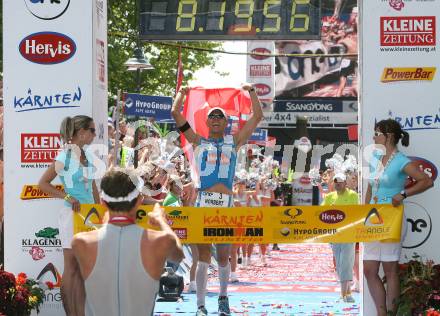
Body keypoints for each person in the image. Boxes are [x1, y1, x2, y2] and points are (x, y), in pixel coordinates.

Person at [171, 83, 262, 316]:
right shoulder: (198, 141)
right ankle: (200, 305)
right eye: (212, 116)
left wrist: (251, 92)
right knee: (202, 257)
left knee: (223, 257)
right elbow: (175, 113)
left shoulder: (235, 141)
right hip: (203, 205)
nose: (215, 119)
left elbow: (257, 116)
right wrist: (182, 93)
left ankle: (223, 298)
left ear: (225, 122)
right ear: (207, 121)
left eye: (220, 117)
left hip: (226, 206)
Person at [71, 168, 184, 315]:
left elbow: (77, 297)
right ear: (139, 202)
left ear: (103, 202)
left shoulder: (81, 242)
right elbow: (178, 254)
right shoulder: (160, 241)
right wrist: (161, 222)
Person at [363, 119, 433, 316]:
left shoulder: (402, 160)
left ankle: (391, 314)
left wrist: (403, 194)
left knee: (390, 269)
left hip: (392, 218)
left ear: (389, 136)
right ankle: (381, 312)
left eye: (377, 133)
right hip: (372, 217)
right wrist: (364, 212)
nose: (374, 137)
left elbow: (426, 181)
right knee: (369, 269)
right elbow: (369, 188)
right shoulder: (375, 157)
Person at [39, 115, 100, 315]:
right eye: (92, 130)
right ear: (81, 133)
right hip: (71, 215)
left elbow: (92, 186)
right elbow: (43, 184)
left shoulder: (88, 156)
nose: (94, 134)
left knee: (84, 270)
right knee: (72, 268)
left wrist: (99, 212)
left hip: (89, 216)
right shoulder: (64, 156)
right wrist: (67, 195)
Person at [321, 172, 359, 303]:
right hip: (334, 235)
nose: (338, 184)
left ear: (345, 183)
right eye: (336, 182)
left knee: (346, 263)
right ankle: (346, 292)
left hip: (348, 234)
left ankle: (344, 293)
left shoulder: (353, 195)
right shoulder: (329, 196)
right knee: (339, 264)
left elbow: (354, 213)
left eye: (340, 182)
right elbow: (320, 213)